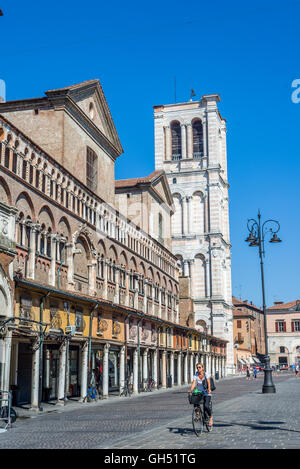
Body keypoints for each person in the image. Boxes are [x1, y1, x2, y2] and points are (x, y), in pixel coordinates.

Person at [189, 363, 213, 428]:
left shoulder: (206, 374)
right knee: (195, 402)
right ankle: (197, 415)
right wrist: (190, 390)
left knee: (206, 406)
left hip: (206, 392)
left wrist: (209, 389)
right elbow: (194, 384)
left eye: (199, 367)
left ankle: (210, 418)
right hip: (200, 392)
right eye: (197, 368)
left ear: (202, 368)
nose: (198, 369)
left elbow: (208, 382)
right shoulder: (196, 375)